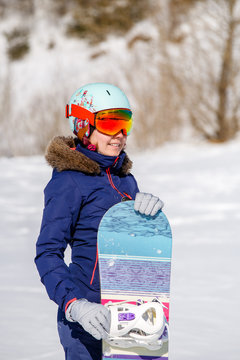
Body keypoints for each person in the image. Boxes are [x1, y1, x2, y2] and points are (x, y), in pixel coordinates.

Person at [35, 82, 164, 360]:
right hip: (88, 320)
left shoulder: (125, 179)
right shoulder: (68, 181)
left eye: (125, 123)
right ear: (83, 125)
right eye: (109, 124)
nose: (120, 134)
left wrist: (148, 221)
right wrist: (75, 305)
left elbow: (134, 249)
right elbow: (47, 252)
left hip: (130, 313)